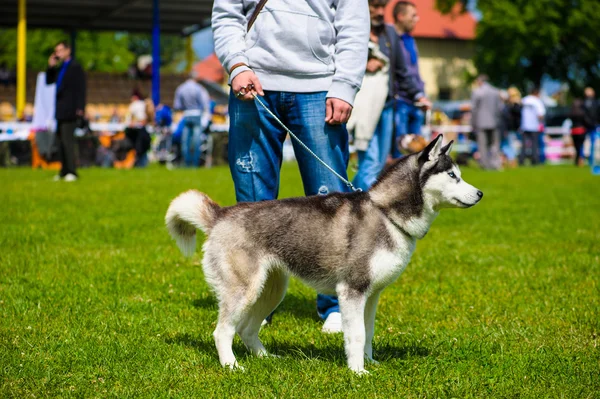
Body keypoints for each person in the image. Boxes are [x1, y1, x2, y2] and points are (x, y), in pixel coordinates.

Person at [212, 0, 369, 333]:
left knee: (333, 205)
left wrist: (345, 85)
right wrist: (237, 65)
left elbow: (354, 23)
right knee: (253, 205)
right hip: (252, 83)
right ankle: (255, 303)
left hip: (319, 86)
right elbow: (227, 13)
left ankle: (335, 306)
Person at [352, 0, 430, 191]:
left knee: (378, 162)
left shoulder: (390, 34)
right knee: (370, 161)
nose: (379, 12)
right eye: (374, 8)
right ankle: (365, 211)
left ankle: (350, 197)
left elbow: (402, 72)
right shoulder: (353, 31)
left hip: (386, 106)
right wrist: (365, 64)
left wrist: (418, 95)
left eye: (382, 8)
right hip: (363, 106)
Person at [46, 40, 86, 182]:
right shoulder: (60, 67)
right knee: (60, 141)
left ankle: (72, 171)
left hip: (71, 109)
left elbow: (81, 88)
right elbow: (49, 81)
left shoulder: (75, 67)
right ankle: (63, 170)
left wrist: (80, 108)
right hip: (60, 109)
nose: (58, 53)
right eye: (56, 51)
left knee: (68, 141)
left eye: (60, 50)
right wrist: (50, 66)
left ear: (68, 50)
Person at [392, 0, 426, 158]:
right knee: (400, 150)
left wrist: (421, 92)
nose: (417, 19)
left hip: (417, 101)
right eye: (413, 15)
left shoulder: (411, 41)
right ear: (401, 16)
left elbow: (415, 72)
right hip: (400, 101)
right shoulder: (391, 40)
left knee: (418, 152)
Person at [173, 71, 212, 167]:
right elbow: (204, 104)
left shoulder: (181, 88)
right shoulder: (199, 88)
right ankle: (194, 163)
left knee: (185, 140)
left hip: (186, 115)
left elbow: (177, 105)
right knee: (196, 140)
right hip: (197, 115)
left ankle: (186, 162)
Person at [470, 75, 502, 170]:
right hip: (494, 122)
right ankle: (495, 164)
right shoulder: (495, 91)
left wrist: (473, 123)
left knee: (482, 145)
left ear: (480, 81)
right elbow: (499, 108)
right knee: (494, 144)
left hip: (481, 122)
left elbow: (474, 109)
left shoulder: (477, 92)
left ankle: (485, 165)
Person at [519, 87, 546, 166]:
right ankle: (534, 160)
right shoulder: (537, 101)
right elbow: (540, 115)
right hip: (534, 126)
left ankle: (521, 160)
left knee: (524, 145)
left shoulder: (524, 100)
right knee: (534, 144)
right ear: (537, 93)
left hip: (524, 125)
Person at [125, 90, 151, 167]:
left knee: (138, 147)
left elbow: (129, 120)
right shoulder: (143, 104)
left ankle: (138, 163)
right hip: (142, 130)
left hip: (137, 131)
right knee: (142, 148)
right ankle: (142, 163)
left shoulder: (135, 105)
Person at [500, 86, 521, 168]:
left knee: (509, 146)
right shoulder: (510, 105)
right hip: (508, 129)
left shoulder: (515, 106)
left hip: (510, 129)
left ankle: (512, 162)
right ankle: (507, 161)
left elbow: (514, 116)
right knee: (506, 146)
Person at [569, 98, 590, 166]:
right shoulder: (582, 113)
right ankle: (581, 160)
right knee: (581, 146)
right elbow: (586, 121)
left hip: (574, 131)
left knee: (576, 146)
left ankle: (577, 160)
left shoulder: (572, 113)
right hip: (581, 130)